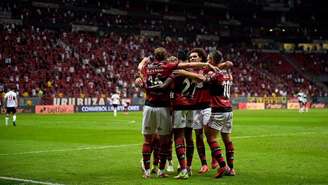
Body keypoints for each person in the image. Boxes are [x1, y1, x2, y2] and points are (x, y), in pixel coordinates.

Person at [205, 50, 235, 178]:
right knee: (227, 140)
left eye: (208, 59)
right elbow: (229, 65)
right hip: (229, 110)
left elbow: (205, 79)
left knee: (211, 138)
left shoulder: (215, 74)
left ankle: (222, 165)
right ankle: (231, 168)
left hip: (218, 109)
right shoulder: (228, 73)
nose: (207, 61)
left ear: (212, 60)